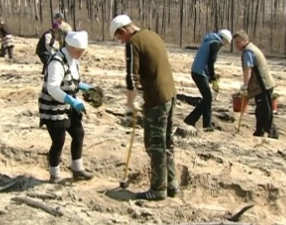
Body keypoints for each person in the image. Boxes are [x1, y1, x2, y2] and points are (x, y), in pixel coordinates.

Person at [110, 14, 179, 201]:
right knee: (167, 143)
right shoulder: (151, 34)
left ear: (124, 31)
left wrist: (130, 104)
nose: (120, 41)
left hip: (157, 99)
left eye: (119, 37)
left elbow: (132, 77)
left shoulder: (133, 43)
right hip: (170, 95)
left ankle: (158, 190)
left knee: (155, 145)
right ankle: (171, 184)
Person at [38, 30, 95, 183]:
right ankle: (54, 175)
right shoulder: (56, 62)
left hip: (69, 104)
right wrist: (72, 101)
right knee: (59, 140)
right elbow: (53, 88)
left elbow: (72, 80)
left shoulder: (74, 60)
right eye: (79, 51)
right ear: (70, 47)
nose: (82, 54)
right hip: (53, 107)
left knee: (78, 134)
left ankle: (77, 169)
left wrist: (85, 88)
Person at [233, 30, 279, 139]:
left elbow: (247, 70)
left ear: (245, 41)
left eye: (238, 42)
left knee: (265, 110)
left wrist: (245, 86)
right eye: (235, 43)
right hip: (263, 84)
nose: (236, 45)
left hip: (263, 85)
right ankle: (259, 132)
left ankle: (272, 133)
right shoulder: (251, 49)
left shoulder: (248, 52)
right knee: (260, 110)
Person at [183, 29, 232, 132]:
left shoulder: (210, 40)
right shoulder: (216, 44)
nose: (226, 45)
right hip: (199, 73)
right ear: (224, 39)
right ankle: (190, 120)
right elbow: (210, 63)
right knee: (208, 98)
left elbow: (206, 61)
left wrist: (210, 76)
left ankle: (207, 125)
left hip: (197, 71)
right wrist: (213, 79)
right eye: (227, 42)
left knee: (207, 98)